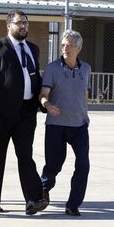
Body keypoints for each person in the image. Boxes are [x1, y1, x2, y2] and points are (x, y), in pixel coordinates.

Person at [0, 10, 47, 215]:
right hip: (1, 113)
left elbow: (34, 77)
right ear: (9, 25)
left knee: (26, 155)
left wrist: (42, 102)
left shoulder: (33, 49)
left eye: (26, 23)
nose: (23, 26)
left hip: (26, 112)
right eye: (19, 23)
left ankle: (33, 200)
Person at [39, 29, 91, 216]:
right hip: (56, 125)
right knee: (54, 165)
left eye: (69, 45)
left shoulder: (86, 69)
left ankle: (73, 204)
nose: (65, 48)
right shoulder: (53, 68)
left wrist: (85, 113)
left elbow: (85, 94)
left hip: (79, 126)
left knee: (83, 164)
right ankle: (42, 193)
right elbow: (43, 94)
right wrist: (47, 104)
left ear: (79, 48)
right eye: (63, 45)